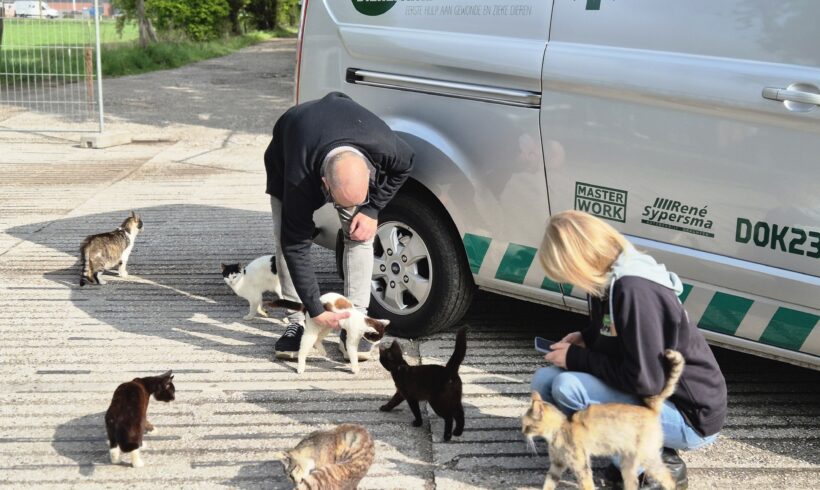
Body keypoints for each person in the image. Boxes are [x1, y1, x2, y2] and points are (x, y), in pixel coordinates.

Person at [532, 210, 727, 489]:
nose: (570, 281)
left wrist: (577, 358)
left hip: (689, 416)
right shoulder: (608, 278)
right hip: (653, 396)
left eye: (567, 273)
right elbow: (618, 335)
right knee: (544, 381)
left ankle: (653, 467)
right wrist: (586, 338)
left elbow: (646, 381)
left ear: (578, 260)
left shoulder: (633, 290)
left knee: (568, 387)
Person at [264, 91, 414, 360]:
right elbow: (295, 246)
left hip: (345, 133)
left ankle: (354, 322)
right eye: (339, 201)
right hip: (288, 150)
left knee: (360, 234)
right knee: (285, 237)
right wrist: (315, 308)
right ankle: (296, 320)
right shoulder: (299, 181)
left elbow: (406, 164)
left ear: (368, 171)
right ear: (324, 184)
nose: (346, 209)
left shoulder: (385, 146)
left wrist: (371, 209)